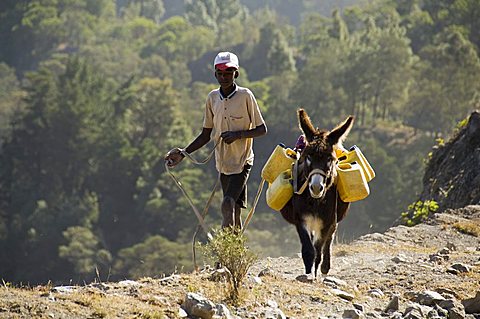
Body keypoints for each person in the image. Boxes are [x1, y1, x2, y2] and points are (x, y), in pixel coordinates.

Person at [165, 51, 267, 229]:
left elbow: (261, 129)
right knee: (234, 208)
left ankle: (224, 252)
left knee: (227, 203)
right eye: (220, 73)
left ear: (236, 73)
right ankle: (235, 251)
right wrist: (183, 153)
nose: (224, 77)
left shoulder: (245, 96)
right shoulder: (212, 98)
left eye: (228, 73)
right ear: (215, 74)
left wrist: (238, 135)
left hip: (242, 161)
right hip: (223, 163)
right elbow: (206, 135)